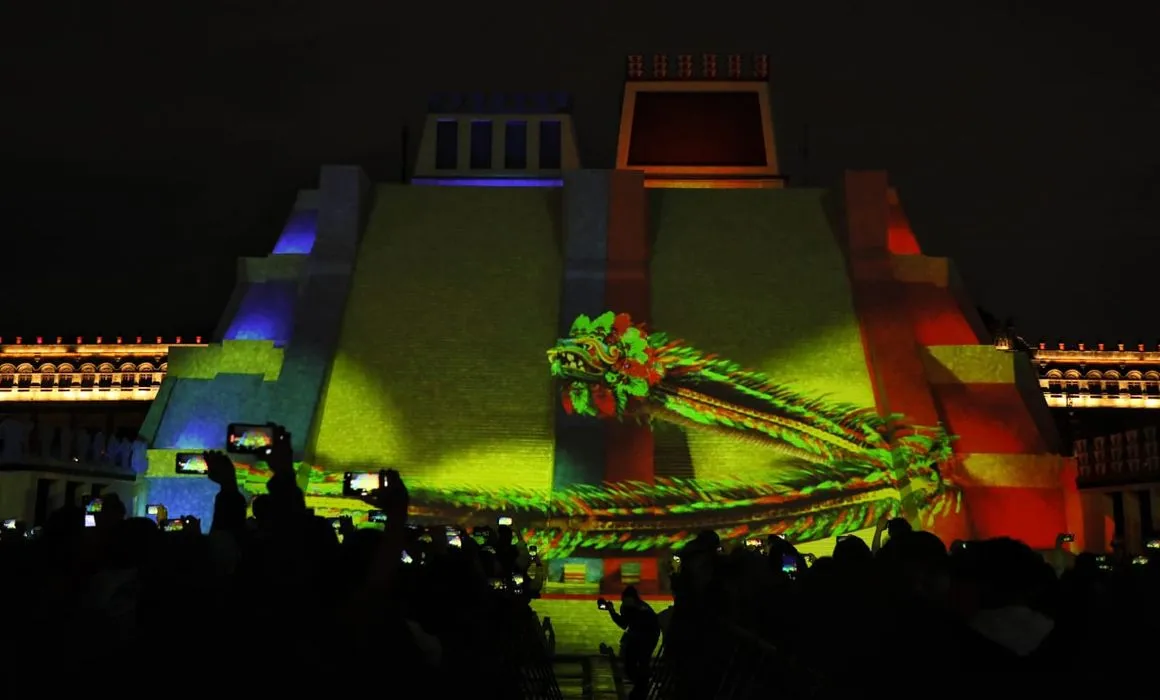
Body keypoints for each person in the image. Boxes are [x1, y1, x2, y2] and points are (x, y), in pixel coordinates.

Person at [599, 585, 661, 699]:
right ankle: (642, 686)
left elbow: (623, 624)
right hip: (647, 636)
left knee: (634, 664)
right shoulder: (639, 606)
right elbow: (627, 624)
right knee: (640, 663)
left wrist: (611, 611)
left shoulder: (634, 607)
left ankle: (641, 687)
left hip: (644, 637)